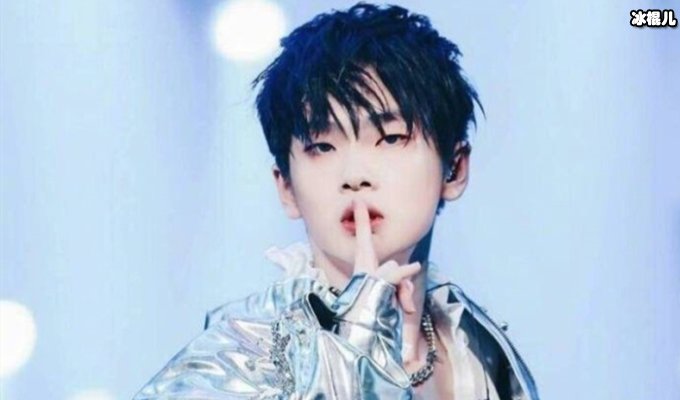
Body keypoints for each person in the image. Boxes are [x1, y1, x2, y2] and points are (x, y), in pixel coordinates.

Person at [133, 3, 539, 399]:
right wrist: (358, 343)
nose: (355, 175)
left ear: (455, 168)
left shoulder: (476, 348)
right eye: (323, 147)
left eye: (391, 138)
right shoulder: (240, 356)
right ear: (286, 188)